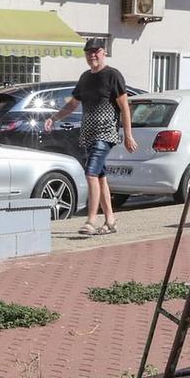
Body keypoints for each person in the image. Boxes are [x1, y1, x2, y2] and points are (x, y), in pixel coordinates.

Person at [49, 39, 136, 236]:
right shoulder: (85, 77)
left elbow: (124, 106)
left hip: (105, 134)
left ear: (103, 52)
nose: (92, 56)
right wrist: (53, 117)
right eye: (88, 53)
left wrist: (128, 134)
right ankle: (111, 219)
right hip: (88, 134)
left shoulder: (112, 75)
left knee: (91, 174)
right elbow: (73, 104)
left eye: (96, 52)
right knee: (101, 177)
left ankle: (90, 220)